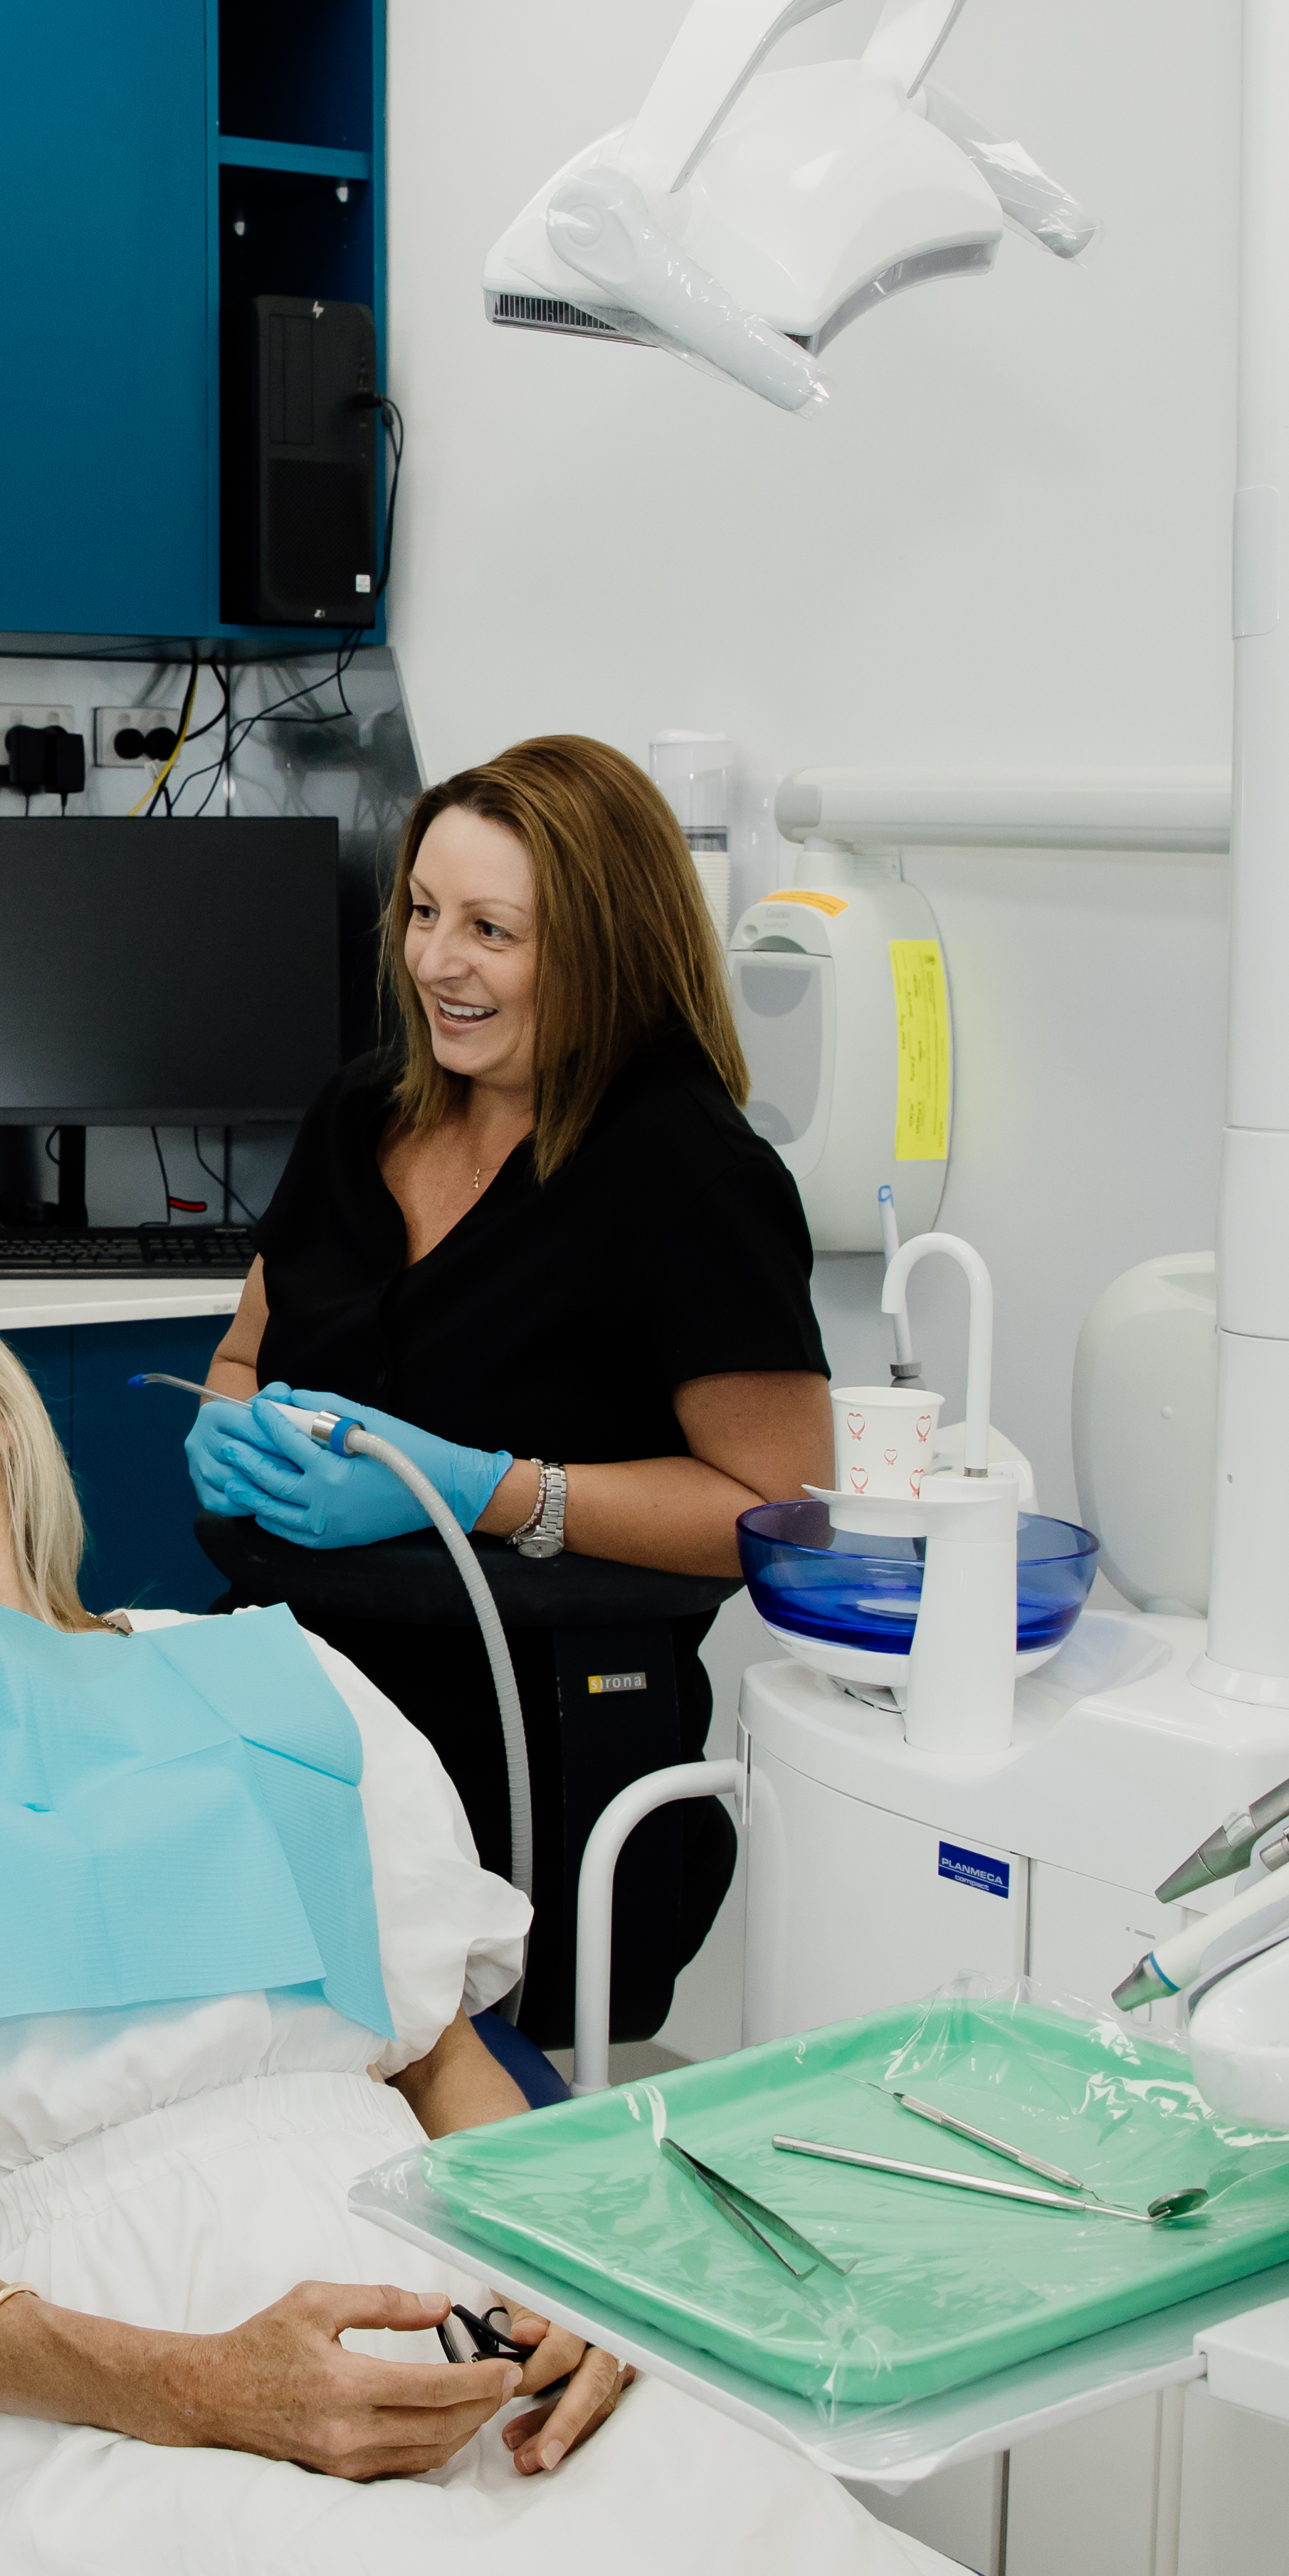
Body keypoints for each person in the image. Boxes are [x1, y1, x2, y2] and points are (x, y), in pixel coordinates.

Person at [0, 1255, 1054, 2576]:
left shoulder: (271, 1680)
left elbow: (448, 2064)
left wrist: (590, 2280)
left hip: (430, 2264)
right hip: (98, 2351)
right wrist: (201, 2385)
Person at [184, 733, 828, 2057]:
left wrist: (488, 1492)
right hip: (288, 1717)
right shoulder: (366, 1115)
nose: (434, 961)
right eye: (423, 912)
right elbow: (251, 1345)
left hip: (530, 1757)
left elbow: (780, 1509)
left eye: (492, 930)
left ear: (601, 946)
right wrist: (224, 1423)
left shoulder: (687, 1176)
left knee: (445, 2118)